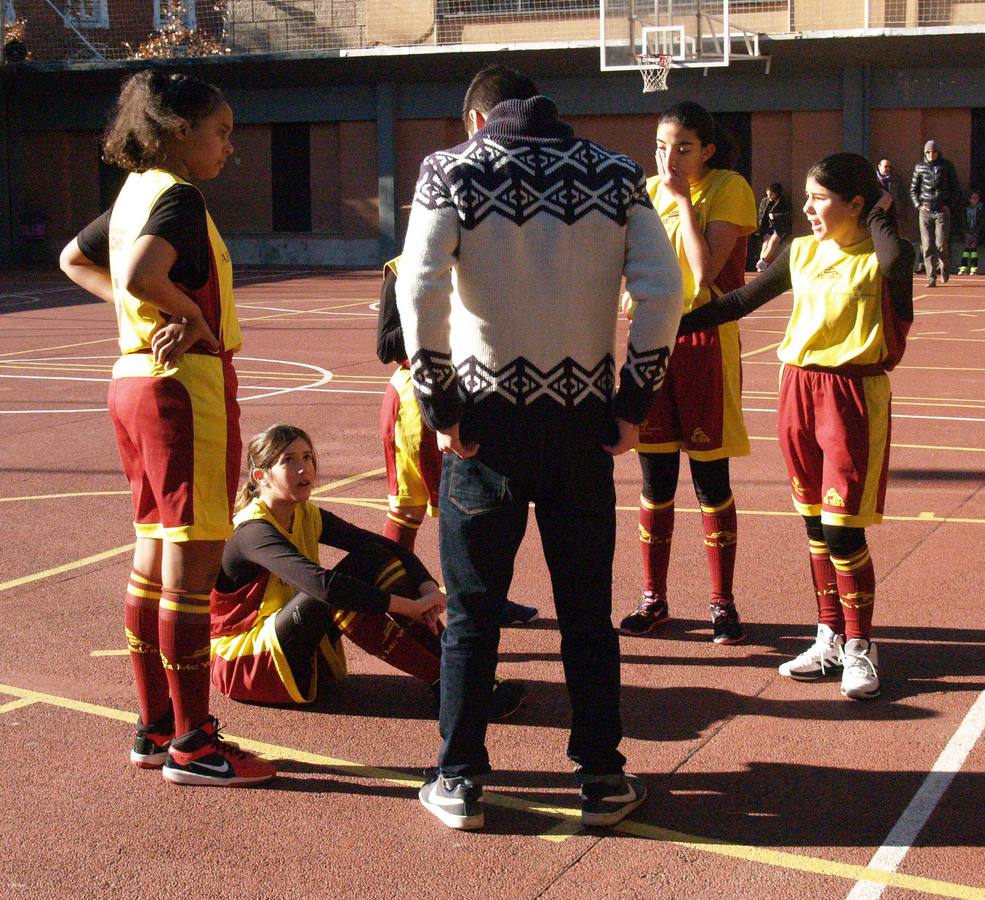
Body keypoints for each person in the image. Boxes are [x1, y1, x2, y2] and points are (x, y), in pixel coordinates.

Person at [398, 64, 682, 830]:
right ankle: (601, 776)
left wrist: (440, 404)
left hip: (485, 425)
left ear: (475, 117)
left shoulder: (448, 170)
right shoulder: (616, 173)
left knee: (472, 615)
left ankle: (458, 779)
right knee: (585, 611)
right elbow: (663, 292)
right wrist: (631, 403)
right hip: (581, 422)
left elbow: (419, 287)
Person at [59, 70, 275, 786]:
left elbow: (76, 259)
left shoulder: (131, 195)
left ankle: (155, 728)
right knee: (192, 565)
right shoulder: (178, 196)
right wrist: (187, 315)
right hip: (184, 391)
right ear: (179, 131)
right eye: (220, 131)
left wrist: (160, 309)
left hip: (132, 383)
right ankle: (193, 744)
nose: (228, 147)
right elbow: (148, 273)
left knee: (154, 552)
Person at [676, 152, 914, 700]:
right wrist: (674, 325)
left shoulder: (884, 260)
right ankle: (828, 634)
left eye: (820, 198)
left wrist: (880, 212)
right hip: (797, 391)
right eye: (806, 197)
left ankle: (861, 647)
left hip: (853, 395)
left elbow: (896, 259)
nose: (806, 208)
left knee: (842, 529)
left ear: (856, 203)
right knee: (813, 525)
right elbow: (738, 301)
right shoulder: (801, 253)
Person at [209, 424, 525, 719]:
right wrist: (408, 607)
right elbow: (325, 587)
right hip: (246, 660)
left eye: (307, 457)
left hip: (291, 640)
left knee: (373, 557)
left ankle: (462, 674)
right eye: (288, 461)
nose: (304, 468)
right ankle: (451, 688)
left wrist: (426, 587)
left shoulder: (306, 514)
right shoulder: (252, 532)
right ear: (261, 476)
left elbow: (384, 548)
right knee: (334, 592)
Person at [618, 102, 757, 646]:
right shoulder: (645, 192)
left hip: (704, 341)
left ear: (708, 150)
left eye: (681, 147)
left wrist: (679, 199)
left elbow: (705, 272)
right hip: (653, 342)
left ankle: (722, 604)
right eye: (660, 146)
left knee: (710, 481)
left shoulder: (727, 188)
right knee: (654, 483)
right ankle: (654, 600)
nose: (668, 158)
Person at [376, 256, 539, 627]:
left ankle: (486, 601)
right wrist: (433, 318)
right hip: (420, 402)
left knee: (483, 514)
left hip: (472, 397)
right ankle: (400, 604)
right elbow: (386, 346)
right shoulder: (402, 269)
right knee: (414, 511)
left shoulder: (480, 263)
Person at [910, 140, 959, 286]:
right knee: (927, 245)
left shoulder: (946, 166)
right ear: (925, 153)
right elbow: (913, 189)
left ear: (938, 152)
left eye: (934, 152)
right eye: (928, 152)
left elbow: (955, 188)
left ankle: (944, 270)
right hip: (925, 210)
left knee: (941, 244)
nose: (931, 154)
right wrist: (918, 206)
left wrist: (949, 205)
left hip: (941, 211)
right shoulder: (919, 167)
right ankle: (931, 278)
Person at [755, 182, 791, 270]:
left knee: (772, 242)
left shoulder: (783, 201)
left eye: (771, 195)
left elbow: (787, 214)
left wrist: (775, 216)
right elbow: (760, 214)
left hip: (779, 226)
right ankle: (762, 263)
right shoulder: (765, 201)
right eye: (768, 195)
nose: (769, 197)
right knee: (766, 243)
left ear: (777, 193)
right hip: (767, 226)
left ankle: (762, 262)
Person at [957, 189, 983, 275]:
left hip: (976, 232)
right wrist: (966, 232)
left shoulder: (981, 208)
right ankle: (963, 267)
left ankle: (973, 268)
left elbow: (982, 222)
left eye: (977, 198)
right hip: (967, 231)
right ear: (969, 199)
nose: (975, 200)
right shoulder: (965, 209)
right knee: (967, 248)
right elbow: (963, 221)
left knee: (973, 248)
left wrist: (977, 231)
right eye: (973, 198)